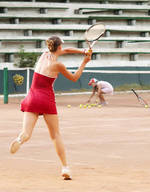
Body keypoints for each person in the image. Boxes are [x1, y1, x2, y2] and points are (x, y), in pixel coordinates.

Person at [9, 35, 92, 180]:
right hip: (46, 99)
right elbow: (74, 78)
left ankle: (20, 139)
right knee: (55, 135)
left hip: (31, 98)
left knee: (26, 133)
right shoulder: (58, 65)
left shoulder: (44, 54)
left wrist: (83, 51)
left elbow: (65, 50)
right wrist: (84, 62)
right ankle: (65, 167)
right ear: (58, 47)